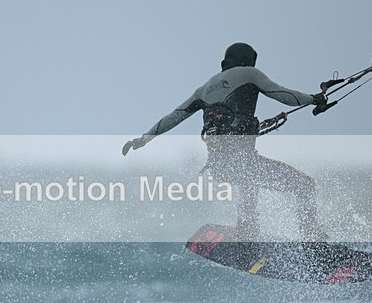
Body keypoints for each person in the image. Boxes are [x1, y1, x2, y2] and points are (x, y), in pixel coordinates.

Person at [122, 42, 328, 241]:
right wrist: (313, 99)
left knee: (248, 177)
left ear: (224, 63)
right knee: (304, 185)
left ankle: (246, 229)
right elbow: (282, 94)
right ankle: (311, 240)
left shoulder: (203, 90)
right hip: (242, 162)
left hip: (219, 167)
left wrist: (143, 139)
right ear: (249, 62)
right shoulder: (249, 74)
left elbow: (173, 117)